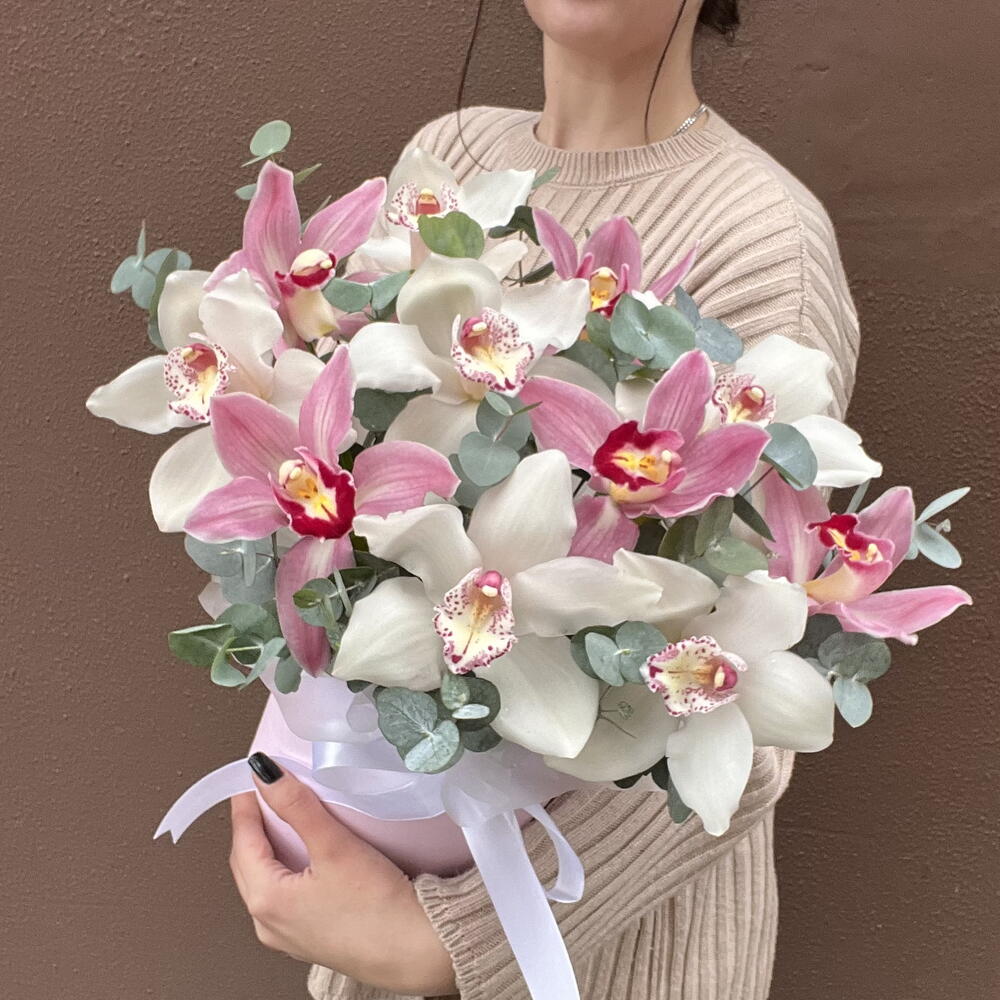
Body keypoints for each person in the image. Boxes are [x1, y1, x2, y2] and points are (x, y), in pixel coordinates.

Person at [227, 1, 860, 997]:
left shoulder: (760, 238)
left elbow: (758, 686)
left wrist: (452, 941)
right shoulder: (452, 156)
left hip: (613, 954)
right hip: (380, 889)